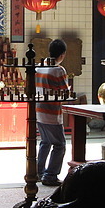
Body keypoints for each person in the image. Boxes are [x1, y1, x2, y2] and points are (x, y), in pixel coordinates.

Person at [35, 39, 70, 187]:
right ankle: (50, 175)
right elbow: (65, 92)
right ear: (62, 55)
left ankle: (38, 172)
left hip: (38, 111)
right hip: (51, 113)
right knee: (60, 144)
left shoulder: (38, 67)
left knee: (45, 142)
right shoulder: (58, 70)